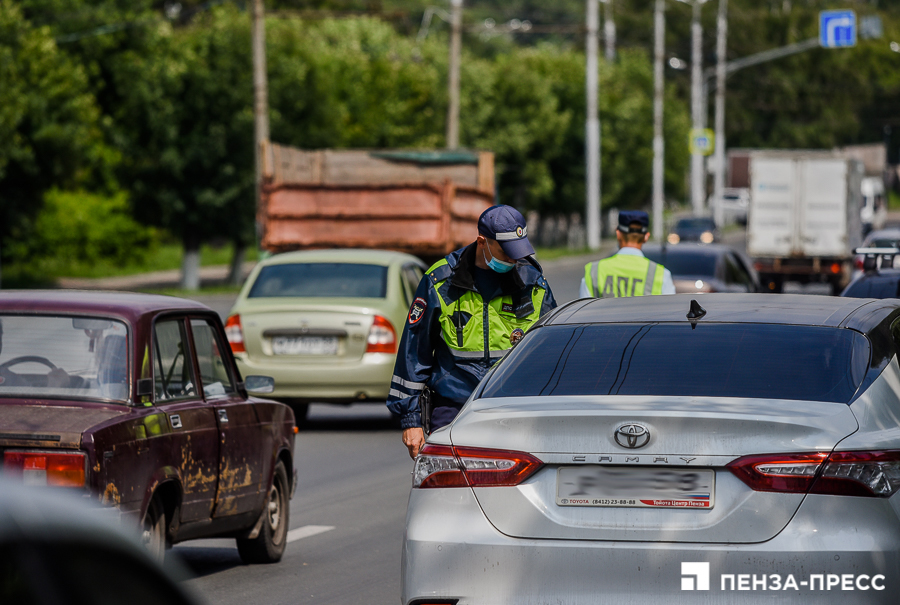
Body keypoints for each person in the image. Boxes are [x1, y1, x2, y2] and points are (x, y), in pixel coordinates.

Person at [387, 205, 557, 459]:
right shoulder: (440, 283)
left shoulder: (533, 284)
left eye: (518, 251)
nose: (514, 259)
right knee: (452, 494)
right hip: (454, 411)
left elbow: (553, 355)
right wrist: (411, 420)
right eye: (507, 251)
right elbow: (414, 353)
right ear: (482, 242)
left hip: (516, 410)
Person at [580, 210, 675, 298]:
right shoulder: (661, 275)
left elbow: (584, 312)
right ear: (646, 237)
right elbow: (669, 313)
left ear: (618, 234)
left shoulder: (594, 271)